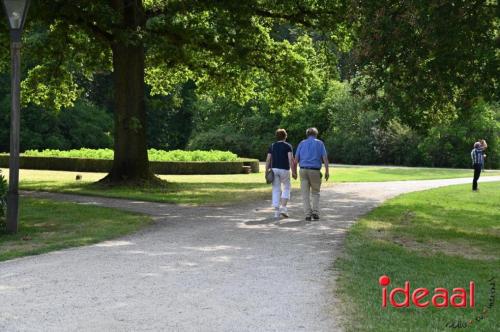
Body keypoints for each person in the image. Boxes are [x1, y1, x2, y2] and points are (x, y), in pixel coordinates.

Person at [293, 127, 329, 221]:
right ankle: (315, 212)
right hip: (315, 171)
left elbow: (296, 160)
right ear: (316, 134)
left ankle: (307, 214)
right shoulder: (320, 143)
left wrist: (294, 172)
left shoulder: (302, 143)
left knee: (305, 193)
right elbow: (325, 158)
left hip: (303, 170)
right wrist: (327, 171)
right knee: (315, 192)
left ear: (307, 134)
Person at [265, 129, 294, 221]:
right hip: (284, 169)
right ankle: (284, 208)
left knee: (276, 189)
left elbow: (268, 159)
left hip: (274, 170)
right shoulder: (288, 146)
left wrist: (266, 171)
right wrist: (293, 171)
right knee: (286, 187)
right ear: (285, 136)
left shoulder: (272, 146)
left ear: (276, 136)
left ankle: (276, 212)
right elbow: (290, 159)